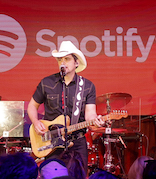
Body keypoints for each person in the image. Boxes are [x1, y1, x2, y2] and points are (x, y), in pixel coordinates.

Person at [27, 41, 104, 171]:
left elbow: (90, 114)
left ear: (76, 62)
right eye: (60, 59)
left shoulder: (87, 86)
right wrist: (35, 122)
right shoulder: (47, 83)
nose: (62, 62)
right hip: (52, 141)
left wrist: (96, 121)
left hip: (77, 141)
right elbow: (31, 106)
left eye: (67, 59)